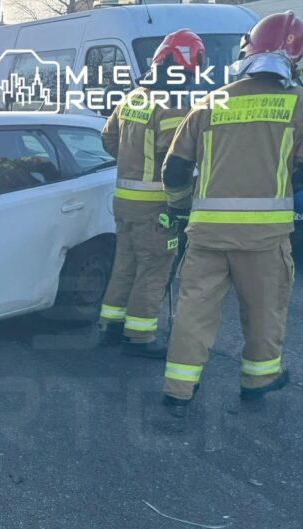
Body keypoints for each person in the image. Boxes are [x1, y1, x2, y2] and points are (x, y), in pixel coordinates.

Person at [160, 11, 303, 416]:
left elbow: (174, 167)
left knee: (194, 311)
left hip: (205, 234)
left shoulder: (210, 102)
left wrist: (178, 209)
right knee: (264, 311)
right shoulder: (298, 105)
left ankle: (178, 388)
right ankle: (258, 380)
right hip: (264, 239)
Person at [97, 29, 205, 357]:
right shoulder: (172, 104)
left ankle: (111, 327)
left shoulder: (133, 97)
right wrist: (183, 202)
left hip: (124, 201)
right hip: (155, 205)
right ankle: (140, 337)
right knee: (155, 267)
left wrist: (130, 165)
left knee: (125, 263)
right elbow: (176, 159)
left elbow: (107, 138)